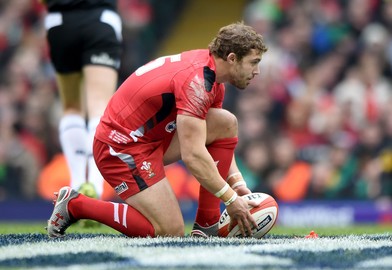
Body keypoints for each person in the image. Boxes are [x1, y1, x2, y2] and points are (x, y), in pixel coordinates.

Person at [47, 22, 268, 238]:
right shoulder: (198, 84)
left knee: (225, 122)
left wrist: (238, 185)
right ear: (232, 59)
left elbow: (215, 140)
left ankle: (207, 224)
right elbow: (194, 156)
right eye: (253, 62)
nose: (257, 71)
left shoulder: (212, 76)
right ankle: (77, 205)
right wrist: (230, 199)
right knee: (170, 230)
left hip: (150, 138)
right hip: (120, 147)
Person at [41, 0, 122, 199]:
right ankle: (96, 186)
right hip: (100, 19)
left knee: (71, 108)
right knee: (100, 107)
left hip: (60, 21)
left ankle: (76, 187)